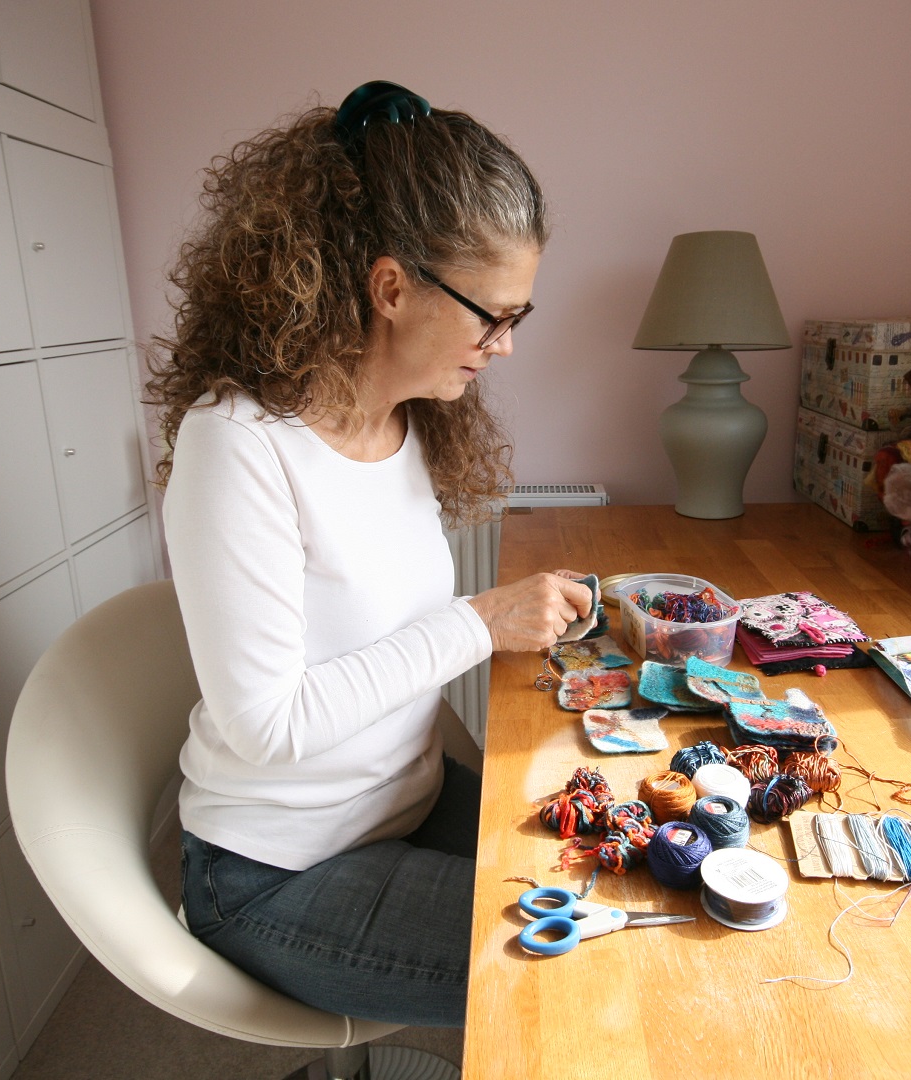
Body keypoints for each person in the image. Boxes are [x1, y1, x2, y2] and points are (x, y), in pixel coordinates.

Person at [145, 81, 594, 1030]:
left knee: (609, 866)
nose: (504, 347)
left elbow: (392, 657)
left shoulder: (407, 422)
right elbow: (268, 724)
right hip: (275, 872)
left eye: (520, 317)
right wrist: (480, 623)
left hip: (403, 804)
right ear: (392, 287)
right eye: (493, 316)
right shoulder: (240, 443)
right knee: (575, 980)